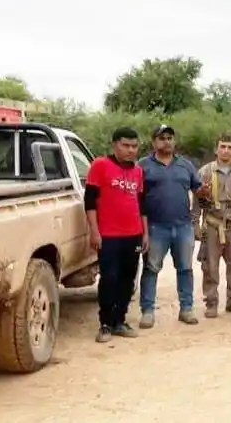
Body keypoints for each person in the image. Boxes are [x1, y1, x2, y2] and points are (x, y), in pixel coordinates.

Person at [85, 127, 149, 343]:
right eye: (126, 145)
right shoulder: (100, 166)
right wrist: (94, 231)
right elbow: (90, 201)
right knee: (109, 278)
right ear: (115, 145)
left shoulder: (138, 171)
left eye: (134, 146)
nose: (131, 150)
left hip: (133, 234)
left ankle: (120, 321)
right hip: (108, 235)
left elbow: (141, 204)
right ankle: (105, 323)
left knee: (128, 279)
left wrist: (145, 233)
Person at [136, 125, 200, 328]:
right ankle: (147, 311)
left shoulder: (186, 165)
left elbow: (197, 188)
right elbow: (136, 197)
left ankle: (186, 309)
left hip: (183, 226)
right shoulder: (143, 166)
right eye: (162, 138)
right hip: (155, 227)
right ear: (154, 142)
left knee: (185, 269)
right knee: (151, 269)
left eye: (170, 137)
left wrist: (204, 191)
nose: (167, 141)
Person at [196, 133, 231, 318]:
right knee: (210, 266)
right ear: (216, 149)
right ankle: (211, 303)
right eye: (223, 146)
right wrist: (196, 224)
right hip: (212, 224)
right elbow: (197, 202)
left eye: (230, 147)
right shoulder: (204, 172)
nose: (226, 150)